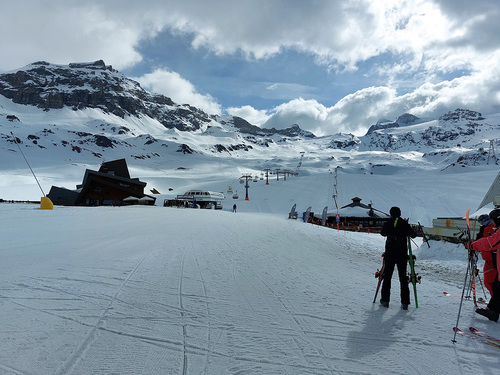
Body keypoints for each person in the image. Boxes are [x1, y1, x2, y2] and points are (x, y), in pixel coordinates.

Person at [380, 206, 417, 310]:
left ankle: (385, 300)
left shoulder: (388, 223)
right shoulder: (404, 223)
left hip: (390, 253)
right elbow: (413, 235)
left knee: (387, 277)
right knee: (403, 278)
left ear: (391, 213)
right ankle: (405, 302)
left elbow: (383, 233)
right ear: (400, 213)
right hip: (402, 254)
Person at [468, 209, 500, 322]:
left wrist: (473, 245)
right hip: (494, 261)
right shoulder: (495, 229)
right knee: (496, 286)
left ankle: (493, 311)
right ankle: (493, 311)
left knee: (493, 284)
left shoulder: (494, 230)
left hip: (492, 261)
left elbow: (490, 242)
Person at [476, 214, 497, 296]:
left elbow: (484, 243)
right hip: (490, 259)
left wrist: (472, 245)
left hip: (491, 259)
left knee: (489, 282)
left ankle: (495, 303)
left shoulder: (488, 228)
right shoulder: (491, 227)